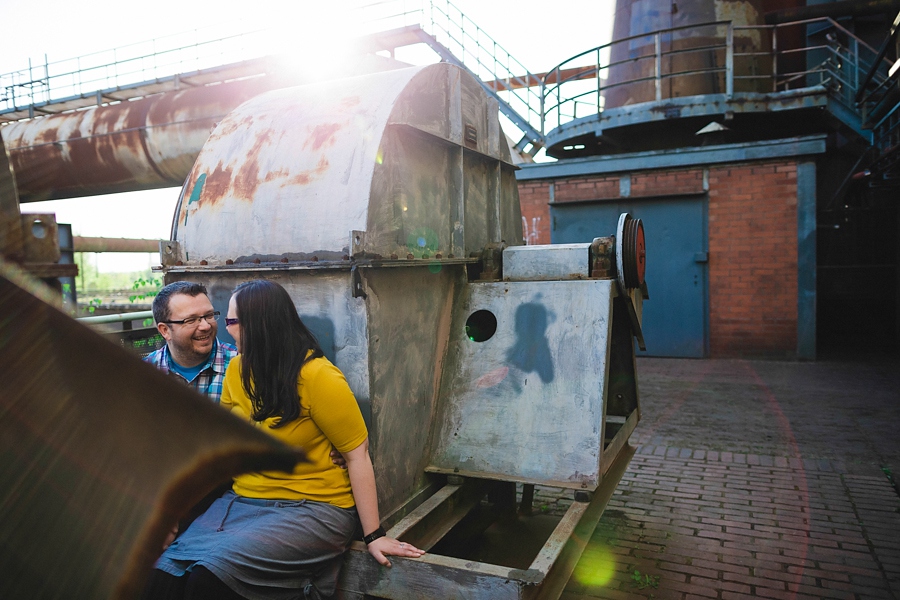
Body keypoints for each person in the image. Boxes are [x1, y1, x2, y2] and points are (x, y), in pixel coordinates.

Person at [144, 280, 423, 600]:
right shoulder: (236, 369)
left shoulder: (318, 376)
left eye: (229, 322)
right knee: (161, 578)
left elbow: (357, 456)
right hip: (244, 503)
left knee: (208, 581)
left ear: (259, 327)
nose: (222, 331)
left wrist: (374, 535)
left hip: (312, 508)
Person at [144, 281, 237, 404]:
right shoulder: (144, 374)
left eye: (209, 315)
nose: (205, 326)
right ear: (165, 330)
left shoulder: (240, 365)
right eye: (191, 320)